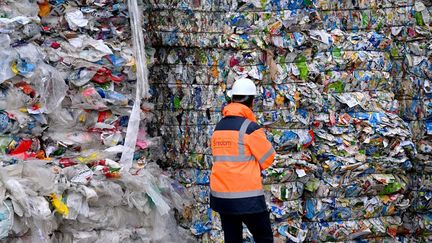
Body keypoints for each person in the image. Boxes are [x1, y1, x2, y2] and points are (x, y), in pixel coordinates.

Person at [209, 78, 276, 243]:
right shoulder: (250, 128)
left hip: (222, 197)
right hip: (248, 198)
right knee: (264, 237)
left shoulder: (219, 127)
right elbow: (268, 159)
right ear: (251, 102)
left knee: (232, 239)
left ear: (232, 99)